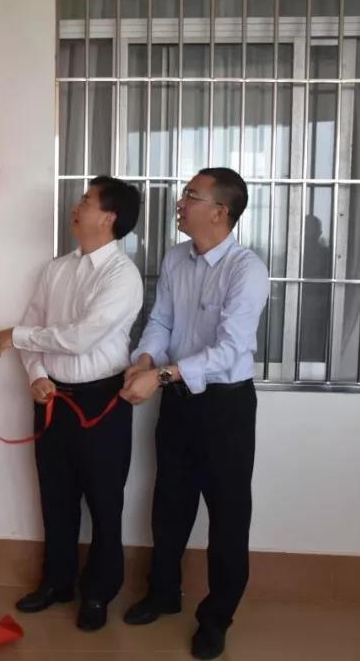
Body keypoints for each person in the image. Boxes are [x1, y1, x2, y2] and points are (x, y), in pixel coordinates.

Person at [119, 167, 269, 661]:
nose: (180, 203)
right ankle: (163, 593)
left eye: (191, 196)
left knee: (228, 516)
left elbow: (230, 350)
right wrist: (145, 357)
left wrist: (161, 375)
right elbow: (162, 320)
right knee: (170, 503)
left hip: (226, 406)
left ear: (220, 212)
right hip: (179, 401)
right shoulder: (176, 258)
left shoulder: (246, 270)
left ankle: (217, 618)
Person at [0, 175, 143, 632]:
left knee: (104, 502)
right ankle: (57, 582)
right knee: (55, 496)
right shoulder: (56, 269)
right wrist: (36, 374)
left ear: (109, 217)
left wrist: (16, 337)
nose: (78, 206)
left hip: (102, 400)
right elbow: (34, 325)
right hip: (52, 398)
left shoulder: (122, 276)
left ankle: (98, 592)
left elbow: (80, 338)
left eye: (87, 201)